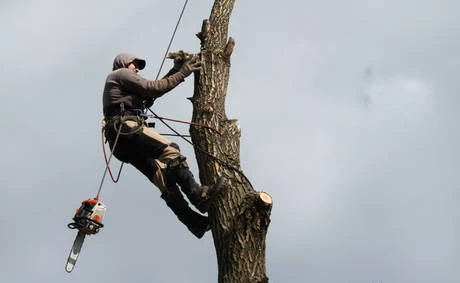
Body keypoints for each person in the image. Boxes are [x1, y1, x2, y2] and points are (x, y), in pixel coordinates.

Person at [102, 53, 221, 238]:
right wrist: (183, 72)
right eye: (135, 64)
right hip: (126, 128)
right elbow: (154, 88)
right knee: (171, 150)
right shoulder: (121, 73)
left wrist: (176, 70)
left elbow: (155, 88)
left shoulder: (121, 84)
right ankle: (199, 196)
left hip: (120, 142)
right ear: (124, 63)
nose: (137, 69)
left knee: (163, 178)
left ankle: (194, 223)